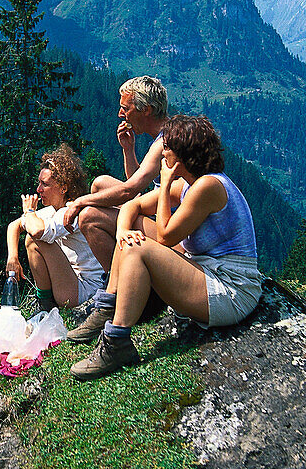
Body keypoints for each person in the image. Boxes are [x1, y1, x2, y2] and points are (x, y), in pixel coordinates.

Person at [70, 114, 263, 381]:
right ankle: (110, 305)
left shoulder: (208, 186)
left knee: (137, 247)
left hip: (231, 288)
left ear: (183, 154)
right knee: (131, 239)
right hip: (204, 266)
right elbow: (132, 206)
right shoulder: (191, 183)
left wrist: (164, 185)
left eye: (168, 147)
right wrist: (124, 232)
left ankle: (116, 342)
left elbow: (164, 237)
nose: (163, 152)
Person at [62, 76, 169, 273]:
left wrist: (79, 201)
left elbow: (129, 191)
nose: (121, 114)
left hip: (169, 231)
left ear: (146, 109)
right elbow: (137, 183)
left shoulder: (165, 142)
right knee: (101, 183)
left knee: (89, 217)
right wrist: (128, 150)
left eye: (126, 108)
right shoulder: (165, 135)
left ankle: (117, 282)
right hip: (158, 214)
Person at [5, 144, 105, 312]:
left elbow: (36, 231)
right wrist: (12, 258)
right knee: (34, 235)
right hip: (72, 282)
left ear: (63, 187)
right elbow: (13, 225)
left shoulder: (70, 213)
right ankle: (47, 304)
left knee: (34, 240)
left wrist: (30, 211)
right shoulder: (53, 211)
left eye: (45, 184)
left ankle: (46, 305)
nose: (38, 190)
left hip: (86, 291)